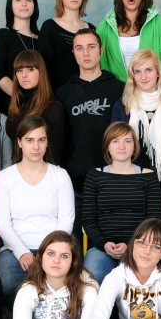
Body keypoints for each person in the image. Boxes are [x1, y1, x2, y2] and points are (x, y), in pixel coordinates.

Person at [0, 116, 74, 309]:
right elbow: (2, 223)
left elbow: (66, 221)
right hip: (15, 250)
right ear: (19, 142)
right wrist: (22, 252)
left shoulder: (60, 175)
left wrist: (49, 252)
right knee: (9, 285)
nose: (36, 146)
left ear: (47, 143)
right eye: (29, 140)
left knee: (59, 288)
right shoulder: (5, 177)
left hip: (54, 248)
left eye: (41, 140)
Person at [56, 29, 125, 241]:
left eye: (91, 47)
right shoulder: (63, 93)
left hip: (111, 182)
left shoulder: (119, 89)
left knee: (108, 248)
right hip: (74, 185)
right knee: (73, 248)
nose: (86, 53)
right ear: (73, 53)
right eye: (79, 48)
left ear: (101, 51)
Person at [83, 122, 161, 284]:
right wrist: (104, 244)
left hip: (139, 248)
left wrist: (131, 245)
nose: (121, 146)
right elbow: (88, 220)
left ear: (134, 147)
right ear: (107, 146)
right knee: (93, 277)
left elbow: (153, 221)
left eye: (127, 141)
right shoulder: (94, 176)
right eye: (115, 141)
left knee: (135, 281)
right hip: (101, 248)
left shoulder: (148, 176)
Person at [111, 49, 161, 184]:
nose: (143, 77)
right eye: (137, 72)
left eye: (149, 70)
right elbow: (115, 149)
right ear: (133, 76)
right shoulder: (122, 107)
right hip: (130, 182)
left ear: (158, 72)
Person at [4, 49, 65, 164]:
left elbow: (55, 155)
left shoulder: (52, 107)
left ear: (41, 72)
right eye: (19, 70)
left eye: (30, 69)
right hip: (17, 170)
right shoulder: (17, 105)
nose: (24, 75)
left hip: (41, 172)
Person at [38, 0, 95, 92]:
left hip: (89, 96)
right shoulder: (49, 28)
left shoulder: (92, 29)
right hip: (58, 96)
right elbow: (43, 71)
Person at [0, 0, 40, 113]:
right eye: (18, 0)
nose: (24, 4)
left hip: (39, 106)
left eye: (28, 0)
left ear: (34, 5)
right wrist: (23, 99)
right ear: (10, 5)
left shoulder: (42, 38)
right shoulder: (2, 35)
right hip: (10, 106)